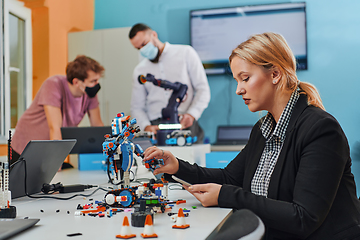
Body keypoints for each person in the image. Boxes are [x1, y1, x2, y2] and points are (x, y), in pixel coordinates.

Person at [143, 32, 360, 239]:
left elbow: (303, 218)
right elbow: (229, 178)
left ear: (275, 74)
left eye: (245, 78)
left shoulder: (321, 129)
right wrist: (178, 167)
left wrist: (226, 195)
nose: (238, 90)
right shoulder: (263, 129)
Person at [11, 55, 105, 166]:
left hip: (48, 148)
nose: (97, 84)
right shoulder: (53, 84)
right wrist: (56, 165)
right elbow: (55, 128)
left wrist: (107, 155)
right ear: (76, 82)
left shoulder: (89, 93)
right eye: (93, 81)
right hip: (25, 146)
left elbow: (97, 126)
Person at [128, 23, 210, 142]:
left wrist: (192, 114)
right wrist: (146, 126)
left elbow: (203, 90)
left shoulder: (186, 53)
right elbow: (136, 107)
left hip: (185, 122)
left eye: (144, 44)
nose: (142, 50)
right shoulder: (140, 71)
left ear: (154, 35)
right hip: (156, 127)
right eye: (138, 48)